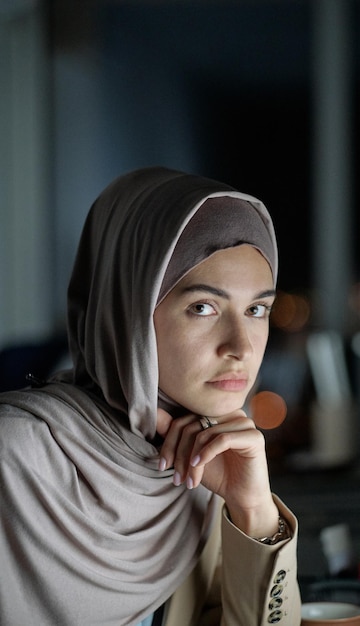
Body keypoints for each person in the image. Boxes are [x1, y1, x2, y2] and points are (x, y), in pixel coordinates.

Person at [0, 166, 301, 625]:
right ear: (127, 312)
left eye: (257, 309)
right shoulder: (14, 456)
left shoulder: (207, 463)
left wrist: (255, 511)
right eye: (203, 307)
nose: (241, 347)